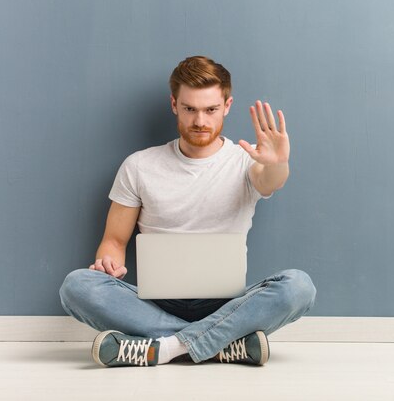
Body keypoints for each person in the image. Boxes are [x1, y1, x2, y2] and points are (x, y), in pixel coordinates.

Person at [58, 56, 316, 367]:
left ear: (227, 105)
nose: (200, 121)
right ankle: (221, 345)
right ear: (174, 104)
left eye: (211, 110)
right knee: (77, 286)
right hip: (153, 304)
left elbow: (270, 180)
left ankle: (165, 347)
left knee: (299, 287)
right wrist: (108, 264)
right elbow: (114, 241)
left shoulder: (245, 161)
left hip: (228, 305)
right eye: (189, 109)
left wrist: (277, 163)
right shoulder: (139, 165)